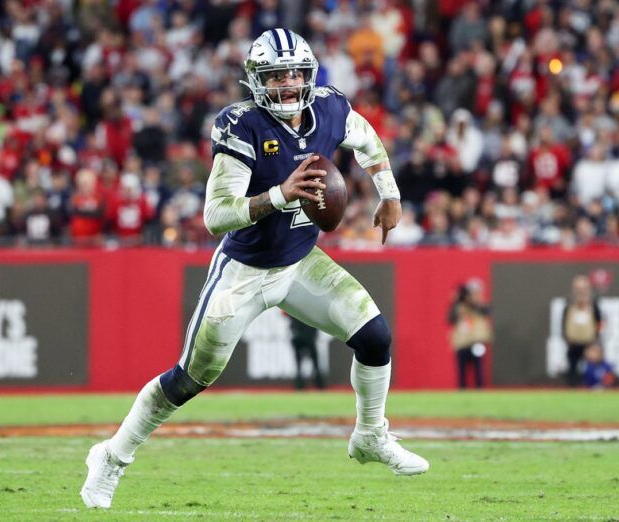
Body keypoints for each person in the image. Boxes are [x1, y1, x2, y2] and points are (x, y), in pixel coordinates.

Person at [80, 28, 429, 510]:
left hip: (300, 261)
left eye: (295, 74)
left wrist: (389, 194)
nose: (288, 85)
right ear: (256, 81)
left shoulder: (328, 107)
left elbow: (366, 141)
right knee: (188, 379)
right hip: (243, 272)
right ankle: (111, 457)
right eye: (276, 76)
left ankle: (371, 436)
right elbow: (214, 216)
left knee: (374, 337)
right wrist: (281, 194)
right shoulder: (242, 125)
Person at [448, 279, 491, 389]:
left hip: (476, 342)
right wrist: (456, 301)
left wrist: (473, 301)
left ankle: (480, 390)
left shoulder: (480, 306)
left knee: (479, 368)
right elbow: (450, 319)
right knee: (461, 370)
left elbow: (486, 311)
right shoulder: (458, 307)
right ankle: (461, 391)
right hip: (462, 343)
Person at [562, 275, 603, 386]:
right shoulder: (569, 305)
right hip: (573, 342)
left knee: (592, 369)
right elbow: (564, 323)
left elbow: (599, 322)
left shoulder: (593, 305)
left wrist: (596, 339)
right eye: (578, 288)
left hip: (589, 342)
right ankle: (572, 388)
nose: (581, 291)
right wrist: (566, 338)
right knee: (572, 368)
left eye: (583, 288)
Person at [288, 315, 325, 390]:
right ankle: (317, 383)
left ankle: (302, 384)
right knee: (311, 361)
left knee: (303, 362)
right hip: (305, 334)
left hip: (303, 334)